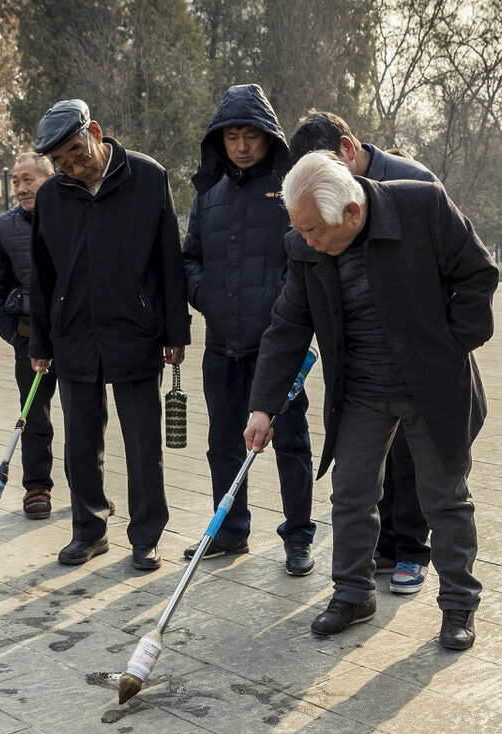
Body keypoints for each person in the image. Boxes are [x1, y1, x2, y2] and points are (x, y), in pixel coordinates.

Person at [244, 151, 497, 648]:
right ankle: (354, 592)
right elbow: (288, 326)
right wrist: (262, 405)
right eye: (301, 230)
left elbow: (478, 274)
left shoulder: (422, 206)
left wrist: (448, 347)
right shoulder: (305, 245)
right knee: (352, 493)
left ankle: (459, 605)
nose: (307, 241)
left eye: (316, 230)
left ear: (353, 213)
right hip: (361, 390)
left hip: (431, 386)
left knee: (445, 499)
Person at [28, 99, 190, 571]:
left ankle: (145, 535)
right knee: (80, 443)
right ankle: (89, 530)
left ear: (95, 131)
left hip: (136, 331)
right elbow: (41, 276)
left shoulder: (148, 177)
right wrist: (40, 342)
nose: (74, 167)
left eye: (78, 153)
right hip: (73, 334)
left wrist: (175, 331)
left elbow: (169, 262)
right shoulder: (53, 196)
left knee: (143, 443)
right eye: (61, 163)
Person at [289, 110, 439, 596]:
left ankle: (411, 549)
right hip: (361, 361)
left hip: (414, 360)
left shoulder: (415, 185)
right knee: (362, 471)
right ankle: (378, 550)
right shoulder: (318, 204)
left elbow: (457, 271)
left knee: (414, 460)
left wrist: (446, 344)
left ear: (348, 150)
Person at [180, 84, 316, 577]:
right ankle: (231, 530)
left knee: (291, 441)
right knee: (223, 441)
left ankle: (298, 536)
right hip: (221, 342)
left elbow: (304, 255)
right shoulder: (208, 191)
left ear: (268, 138)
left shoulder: (289, 187)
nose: (241, 146)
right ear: (220, 140)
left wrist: (283, 307)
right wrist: (205, 296)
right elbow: (190, 257)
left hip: (276, 345)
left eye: (250, 136)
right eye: (232, 136)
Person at [0, 153, 60, 520]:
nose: (21, 188)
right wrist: (16, 336)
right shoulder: (2, 227)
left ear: (50, 178)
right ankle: (36, 486)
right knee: (33, 416)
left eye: (29, 179)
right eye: (15, 181)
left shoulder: (75, 216)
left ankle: (90, 486)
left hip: (76, 338)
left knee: (85, 416)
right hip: (30, 341)